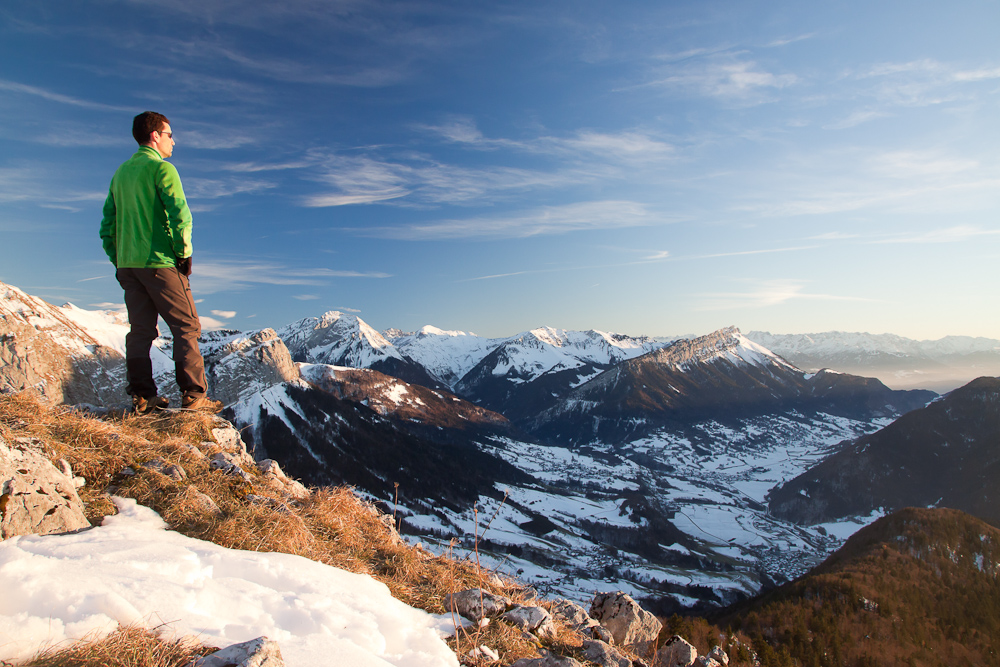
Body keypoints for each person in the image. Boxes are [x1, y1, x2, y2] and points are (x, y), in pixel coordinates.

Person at [99, 111, 222, 414]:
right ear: (155, 135)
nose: (173, 141)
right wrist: (183, 254)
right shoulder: (162, 170)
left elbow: (107, 226)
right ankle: (193, 395)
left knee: (140, 331)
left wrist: (119, 259)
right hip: (159, 262)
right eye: (169, 134)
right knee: (186, 326)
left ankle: (143, 397)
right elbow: (180, 214)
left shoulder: (120, 174)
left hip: (128, 266)